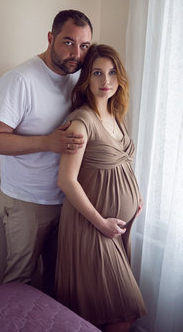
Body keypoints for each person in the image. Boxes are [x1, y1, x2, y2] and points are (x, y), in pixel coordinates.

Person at [0, 10, 93, 297]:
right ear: (50, 38)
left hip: (66, 199)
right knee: (20, 284)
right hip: (25, 202)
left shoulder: (80, 77)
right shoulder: (19, 80)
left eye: (84, 46)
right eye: (68, 42)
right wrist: (47, 142)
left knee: (59, 280)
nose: (76, 53)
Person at [55, 44, 147, 331]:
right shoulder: (81, 122)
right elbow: (66, 180)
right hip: (91, 225)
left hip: (115, 228)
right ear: (86, 79)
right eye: (97, 73)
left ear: (120, 78)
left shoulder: (117, 116)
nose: (105, 81)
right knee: (123, 311)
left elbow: (121, 163)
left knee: (103, 310)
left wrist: (136, 194)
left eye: (111, 73)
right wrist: (102, 223)